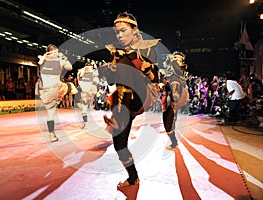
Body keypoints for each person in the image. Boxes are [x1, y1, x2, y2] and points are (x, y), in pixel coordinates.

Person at [102, 12, 160, 188]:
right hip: (122, 101)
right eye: (117, 32)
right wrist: (111, 70)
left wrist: (146, 68)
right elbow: (112, 81)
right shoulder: (117, 53)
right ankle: (133, 177)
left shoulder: (147, 49)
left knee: (126, 77)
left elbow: (155, 78)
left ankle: (117, 118)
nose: (119, 35)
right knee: (119, 145)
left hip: (139, 97)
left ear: (134, 30)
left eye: (123, 31)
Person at [38, 44, 73, 142]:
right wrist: (64, 58)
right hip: (56, 88)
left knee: (50, 113)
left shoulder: (43, 60)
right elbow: (70, 67)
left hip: (45, 90)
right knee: (70, 86)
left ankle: (51, 134)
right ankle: (59, 99)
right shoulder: (60, 60)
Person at [160, 51, 189, 150]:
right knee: (167, 123)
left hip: (174, 98)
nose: (175, 58)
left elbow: (176, 67)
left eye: (178, 58)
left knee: (169, 124)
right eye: (175, 57)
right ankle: (174, 141)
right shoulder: (170, 70)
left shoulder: (181, 68)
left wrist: (172, 60)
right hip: (167, 98)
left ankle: (174, 143)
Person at [76, 62, 99, 128]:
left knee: (84, 107)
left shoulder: (81, 71)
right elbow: (96, 80)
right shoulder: (92, 71)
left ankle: (86, 123)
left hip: (85, 90)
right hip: (88, 90)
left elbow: (79, 81)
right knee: (84, 107)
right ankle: (86, 123)